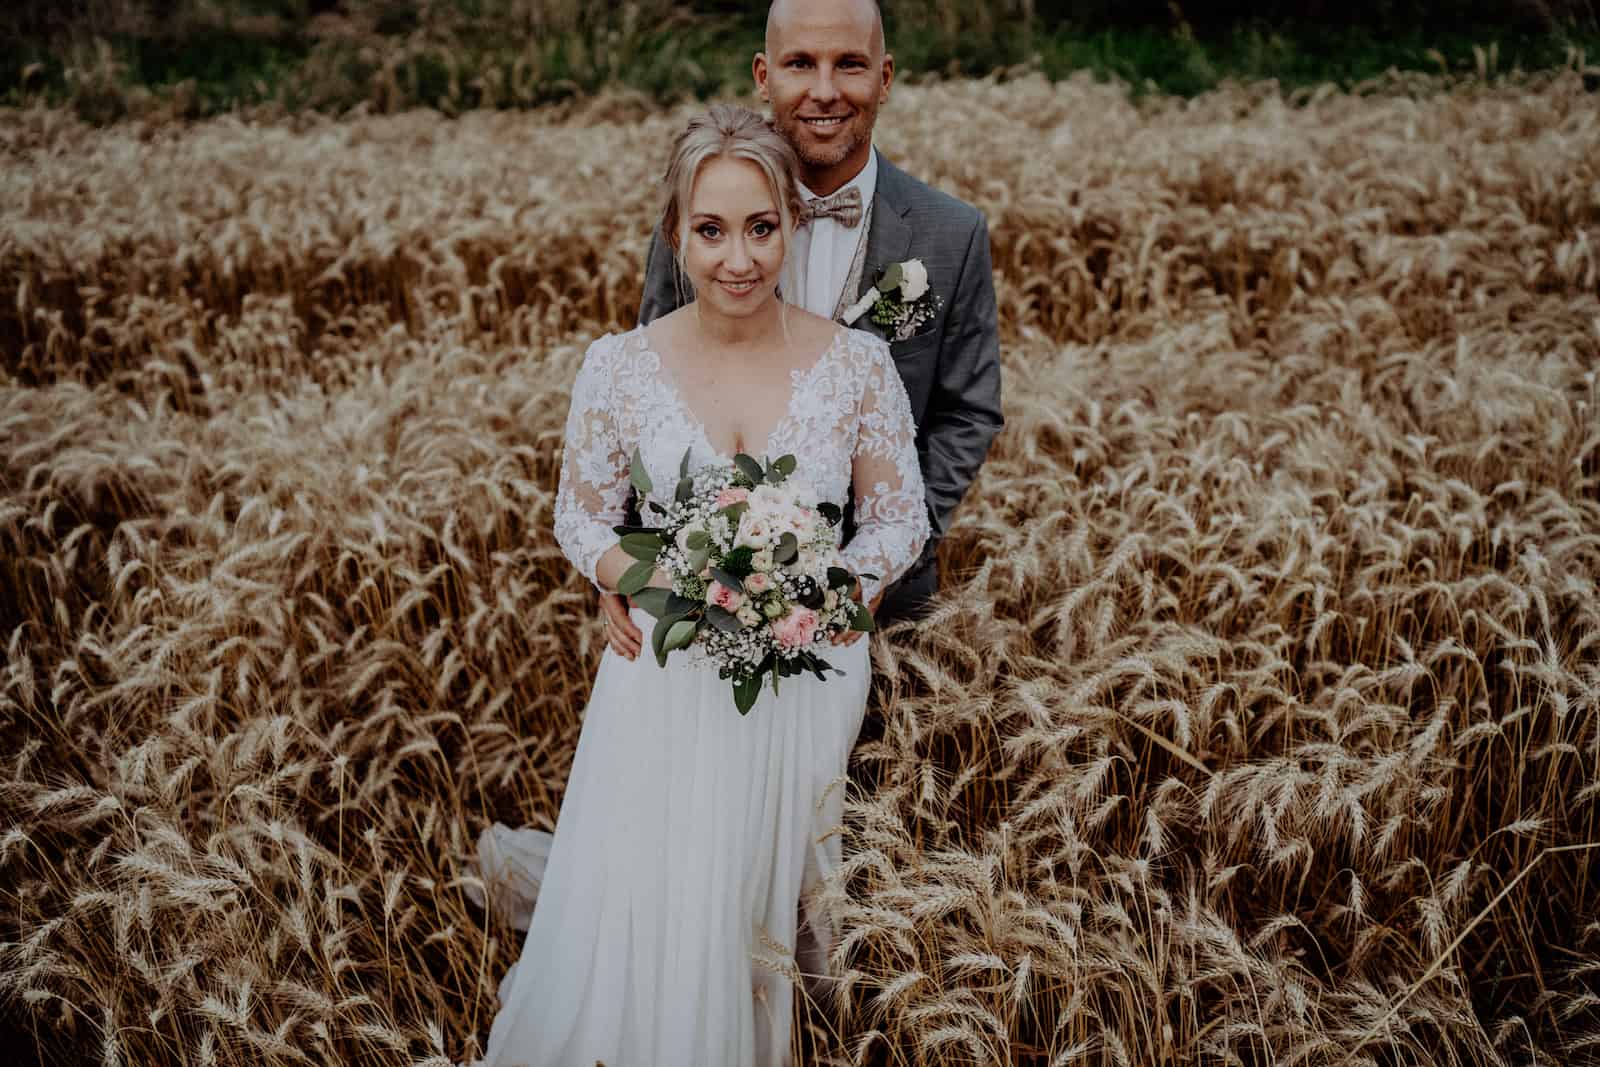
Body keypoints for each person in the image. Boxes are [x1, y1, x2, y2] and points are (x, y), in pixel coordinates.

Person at [469, 104, 929, 1066]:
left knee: (754, 888)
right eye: (711, 230)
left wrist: (832, 591)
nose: (738, 258)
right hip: (663, 667)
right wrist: (621, 573)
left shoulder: (857, 366)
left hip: (803, 670)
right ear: (676, 231)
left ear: (790, 227)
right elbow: (581, 513)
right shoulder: (620, 367)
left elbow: (898, 520)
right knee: (658, 883)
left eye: (761, 228)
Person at [600, 0, 1003, 659]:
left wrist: (886, 552)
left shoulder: (950, 235)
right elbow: (643, 398)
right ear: (764, 75)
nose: (824, 90)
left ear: (885, 76)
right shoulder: (700, 222)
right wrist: (619, 560)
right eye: (799, 64)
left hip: (883, 613)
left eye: (849, 64)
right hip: (704, 609)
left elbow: (969, 410)